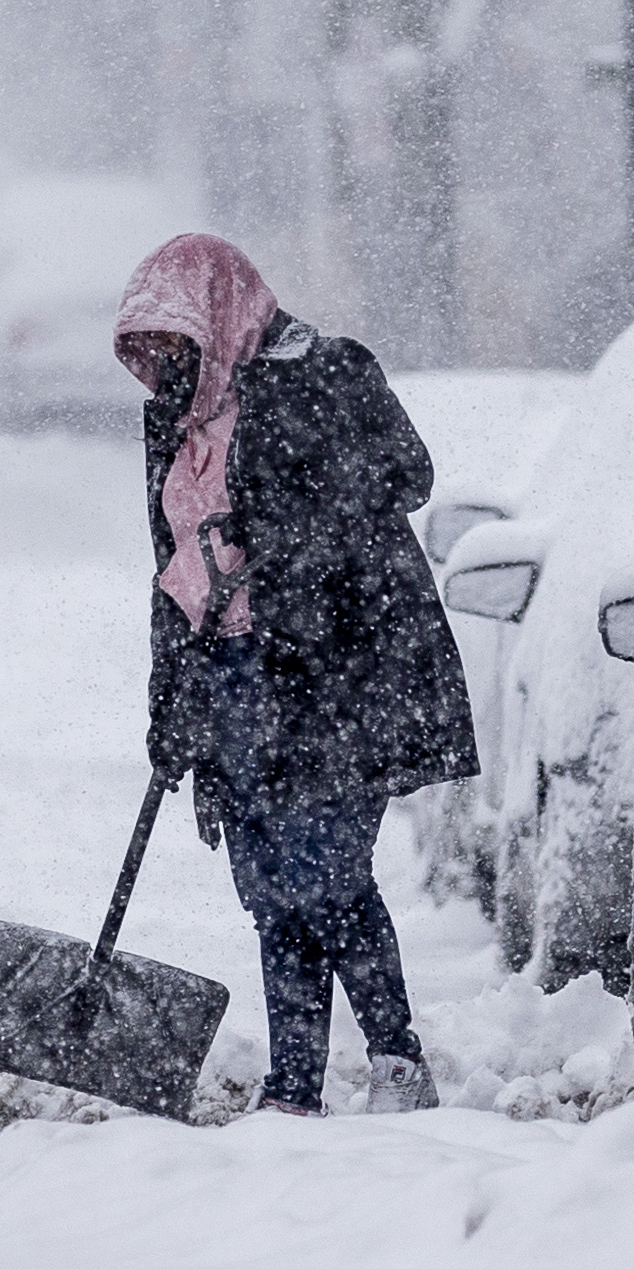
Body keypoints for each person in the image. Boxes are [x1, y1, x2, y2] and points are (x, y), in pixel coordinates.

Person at [115, 233, 475, 1117]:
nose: (161, 365)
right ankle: (292, 1087)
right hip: (236, 675)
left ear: (218, 316)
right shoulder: (174, 414)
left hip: (343, 669)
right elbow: (171, 569)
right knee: (271, 886)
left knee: (325, 872)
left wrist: (279, 542)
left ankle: (396, 1061)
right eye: (148, 351)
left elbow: (403, 472)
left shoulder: (327, 371)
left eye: (174, 342)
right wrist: (172, 711)